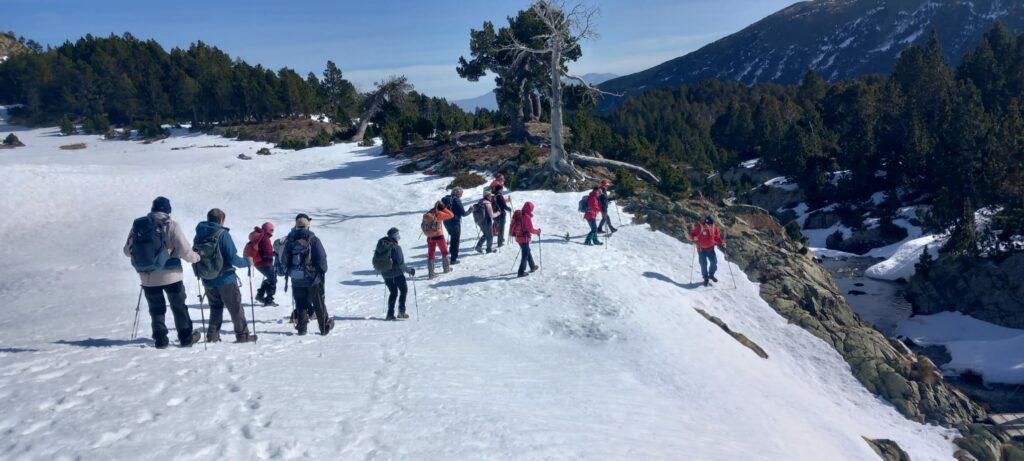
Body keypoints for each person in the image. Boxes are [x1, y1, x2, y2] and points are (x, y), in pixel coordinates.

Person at [124, 196, 201, 349]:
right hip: (171, 275)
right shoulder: (171, 225)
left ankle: (160, 340)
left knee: (156, 309)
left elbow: (127, 251)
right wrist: (196, 258)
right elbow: (184, 250)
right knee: (178, 306)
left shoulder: (138, 226)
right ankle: (186, 338)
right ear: (167, 210)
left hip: (147, 277)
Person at [193, 208, 256, 343]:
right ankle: (242, 336)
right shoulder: (222, 234)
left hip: (207, 279)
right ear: (221, 220)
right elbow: (233, 258)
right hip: (225, 278)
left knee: (215, 307)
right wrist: (247, 262)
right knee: (235, 308)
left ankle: (212, 336)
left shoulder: (199, 235)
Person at [283, 213, 334, 336]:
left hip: (296, 278)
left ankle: (302, 328)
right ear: (307, 226)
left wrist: (290, 272)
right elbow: (322, 258)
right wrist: (321, 272)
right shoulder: (313, 239)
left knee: (300, 303)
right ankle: (324, 327)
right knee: (318, 303)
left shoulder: (290, 240)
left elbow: (284, 259)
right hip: (312, 278)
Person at [377, 228, 416, 320]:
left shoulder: (381, 245)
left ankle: (390, 314)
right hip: (396, 273)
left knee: (393, 292)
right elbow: (401, 264)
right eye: (398, 235)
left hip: (385, 274)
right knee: (403, 290)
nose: (399, 237)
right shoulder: (396, 248)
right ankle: (401, 312)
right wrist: (410, 271)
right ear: (394, 236)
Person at [244, 222, 278, 307]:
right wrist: (275, 253)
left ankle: (260, 295)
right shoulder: (265, 238)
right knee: (273, 280)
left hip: (258, 262)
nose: (272, 232)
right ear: (267, 229)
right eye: (271, 229)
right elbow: (268, 252)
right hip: (264, 263)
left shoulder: (260, 236)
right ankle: (268, 299)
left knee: (271, 278)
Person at [689, 216, 727, 287]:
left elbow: (716, 237)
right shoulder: (700, 227)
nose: (711, 225)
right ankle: (705, 278)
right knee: (703, 264)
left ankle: (711, 275)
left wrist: (722, 242)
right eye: (709, 224)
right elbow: (692, 234)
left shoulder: (714, 227)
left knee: (714, 262)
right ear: (706, 222)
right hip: (701, 249)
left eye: (712, 224)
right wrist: (694, 237)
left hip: (710, 249)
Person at [422, 200, 455, 279]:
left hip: (430, 236)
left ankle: (431, 273)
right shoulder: (439, 214)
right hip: (439, 236)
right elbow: (451, 215)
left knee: (431, 254)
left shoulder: (428, 214)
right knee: (444, 252)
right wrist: (444, 208)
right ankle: (446, 268)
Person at [441, 187, 471, 265]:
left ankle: (451, 255)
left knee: (453, 238)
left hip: (446, 222)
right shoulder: (456, 200)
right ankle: (453, 259)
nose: (461, 195)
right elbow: (463, 213)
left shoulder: (445, 199)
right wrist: (470, 210)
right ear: (458, 193)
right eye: (461, 193)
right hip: (455, 222)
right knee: (455, 240)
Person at [512, 201, 542, 277]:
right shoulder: (526, 217)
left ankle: (532, 266)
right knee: (525, 254)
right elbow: (530, 229)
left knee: (527, 251)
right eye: (532, 209)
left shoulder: (520, 214)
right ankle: (521, 272)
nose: (532, 210)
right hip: (524, 238)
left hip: (518, 237)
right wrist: (538, 231)